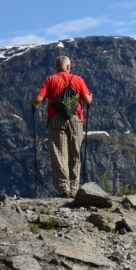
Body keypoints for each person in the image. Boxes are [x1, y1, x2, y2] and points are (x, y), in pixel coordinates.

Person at [29, 56, 93, 197]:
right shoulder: (77, 79)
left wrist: (31, 102)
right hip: (76, 119)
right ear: (68, 67)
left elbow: (38, 99)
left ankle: (64, 190)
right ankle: (75, 189)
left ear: (55, 68)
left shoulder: (50, 80)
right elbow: (87, 101)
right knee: (74, 154)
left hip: (56, 119)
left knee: (59, 154)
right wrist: (90, 95)